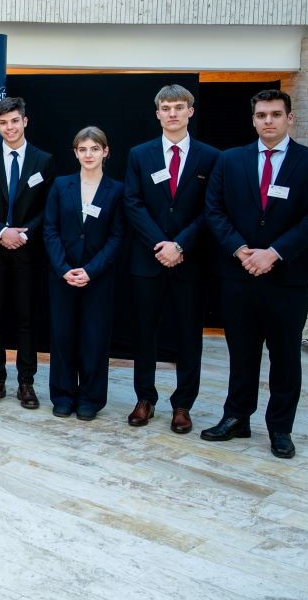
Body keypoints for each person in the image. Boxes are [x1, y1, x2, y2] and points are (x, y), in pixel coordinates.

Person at [201, 89, 308, 459]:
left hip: (288, 277)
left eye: (276, 114)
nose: (268, 121)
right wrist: (239, 248)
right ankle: (236, 418)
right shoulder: (230, 160)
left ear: (289, 118)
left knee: (285, 355)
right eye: (261, 115)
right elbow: (214, 209)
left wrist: (274, 253)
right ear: (253, 120)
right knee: (241, 352)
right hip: (240, 272)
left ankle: (280, 428)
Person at [123, 85, 219, 433]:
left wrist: (179, 245)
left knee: (189, 335)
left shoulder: (210, 157)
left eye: (179, 107)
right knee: (144, 333)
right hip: (148, 260)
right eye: (166, 108)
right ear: (158, 114)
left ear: (190, 111)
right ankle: (145, 399)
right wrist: (160, 244)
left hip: (189, 260)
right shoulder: (139, 154)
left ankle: (183, 404)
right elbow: (132, 202)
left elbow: (211, 209)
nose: (173, 113)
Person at [43, 126, 124, 421]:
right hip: (63, 275)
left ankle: (90, 397)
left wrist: (90, 270)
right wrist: (63, 269)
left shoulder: (117, 190)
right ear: (75, 153)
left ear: (106, 152)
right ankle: (63, 395)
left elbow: (117, 236)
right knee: (63, 336)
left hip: (97, 277)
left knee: (94, 338)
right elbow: (50, 229)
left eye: (95, 149)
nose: (89, 155)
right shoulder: (60, 186)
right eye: (83, 149)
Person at [0, 96, 53, 409]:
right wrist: (1, 231)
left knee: (26, 319)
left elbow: (47, 207)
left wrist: (24, 234)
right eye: (3, 123)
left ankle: (26, 383)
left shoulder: (43, 160)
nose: (9, 128)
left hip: (27, 251)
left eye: (14, 121)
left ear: (25, 121)